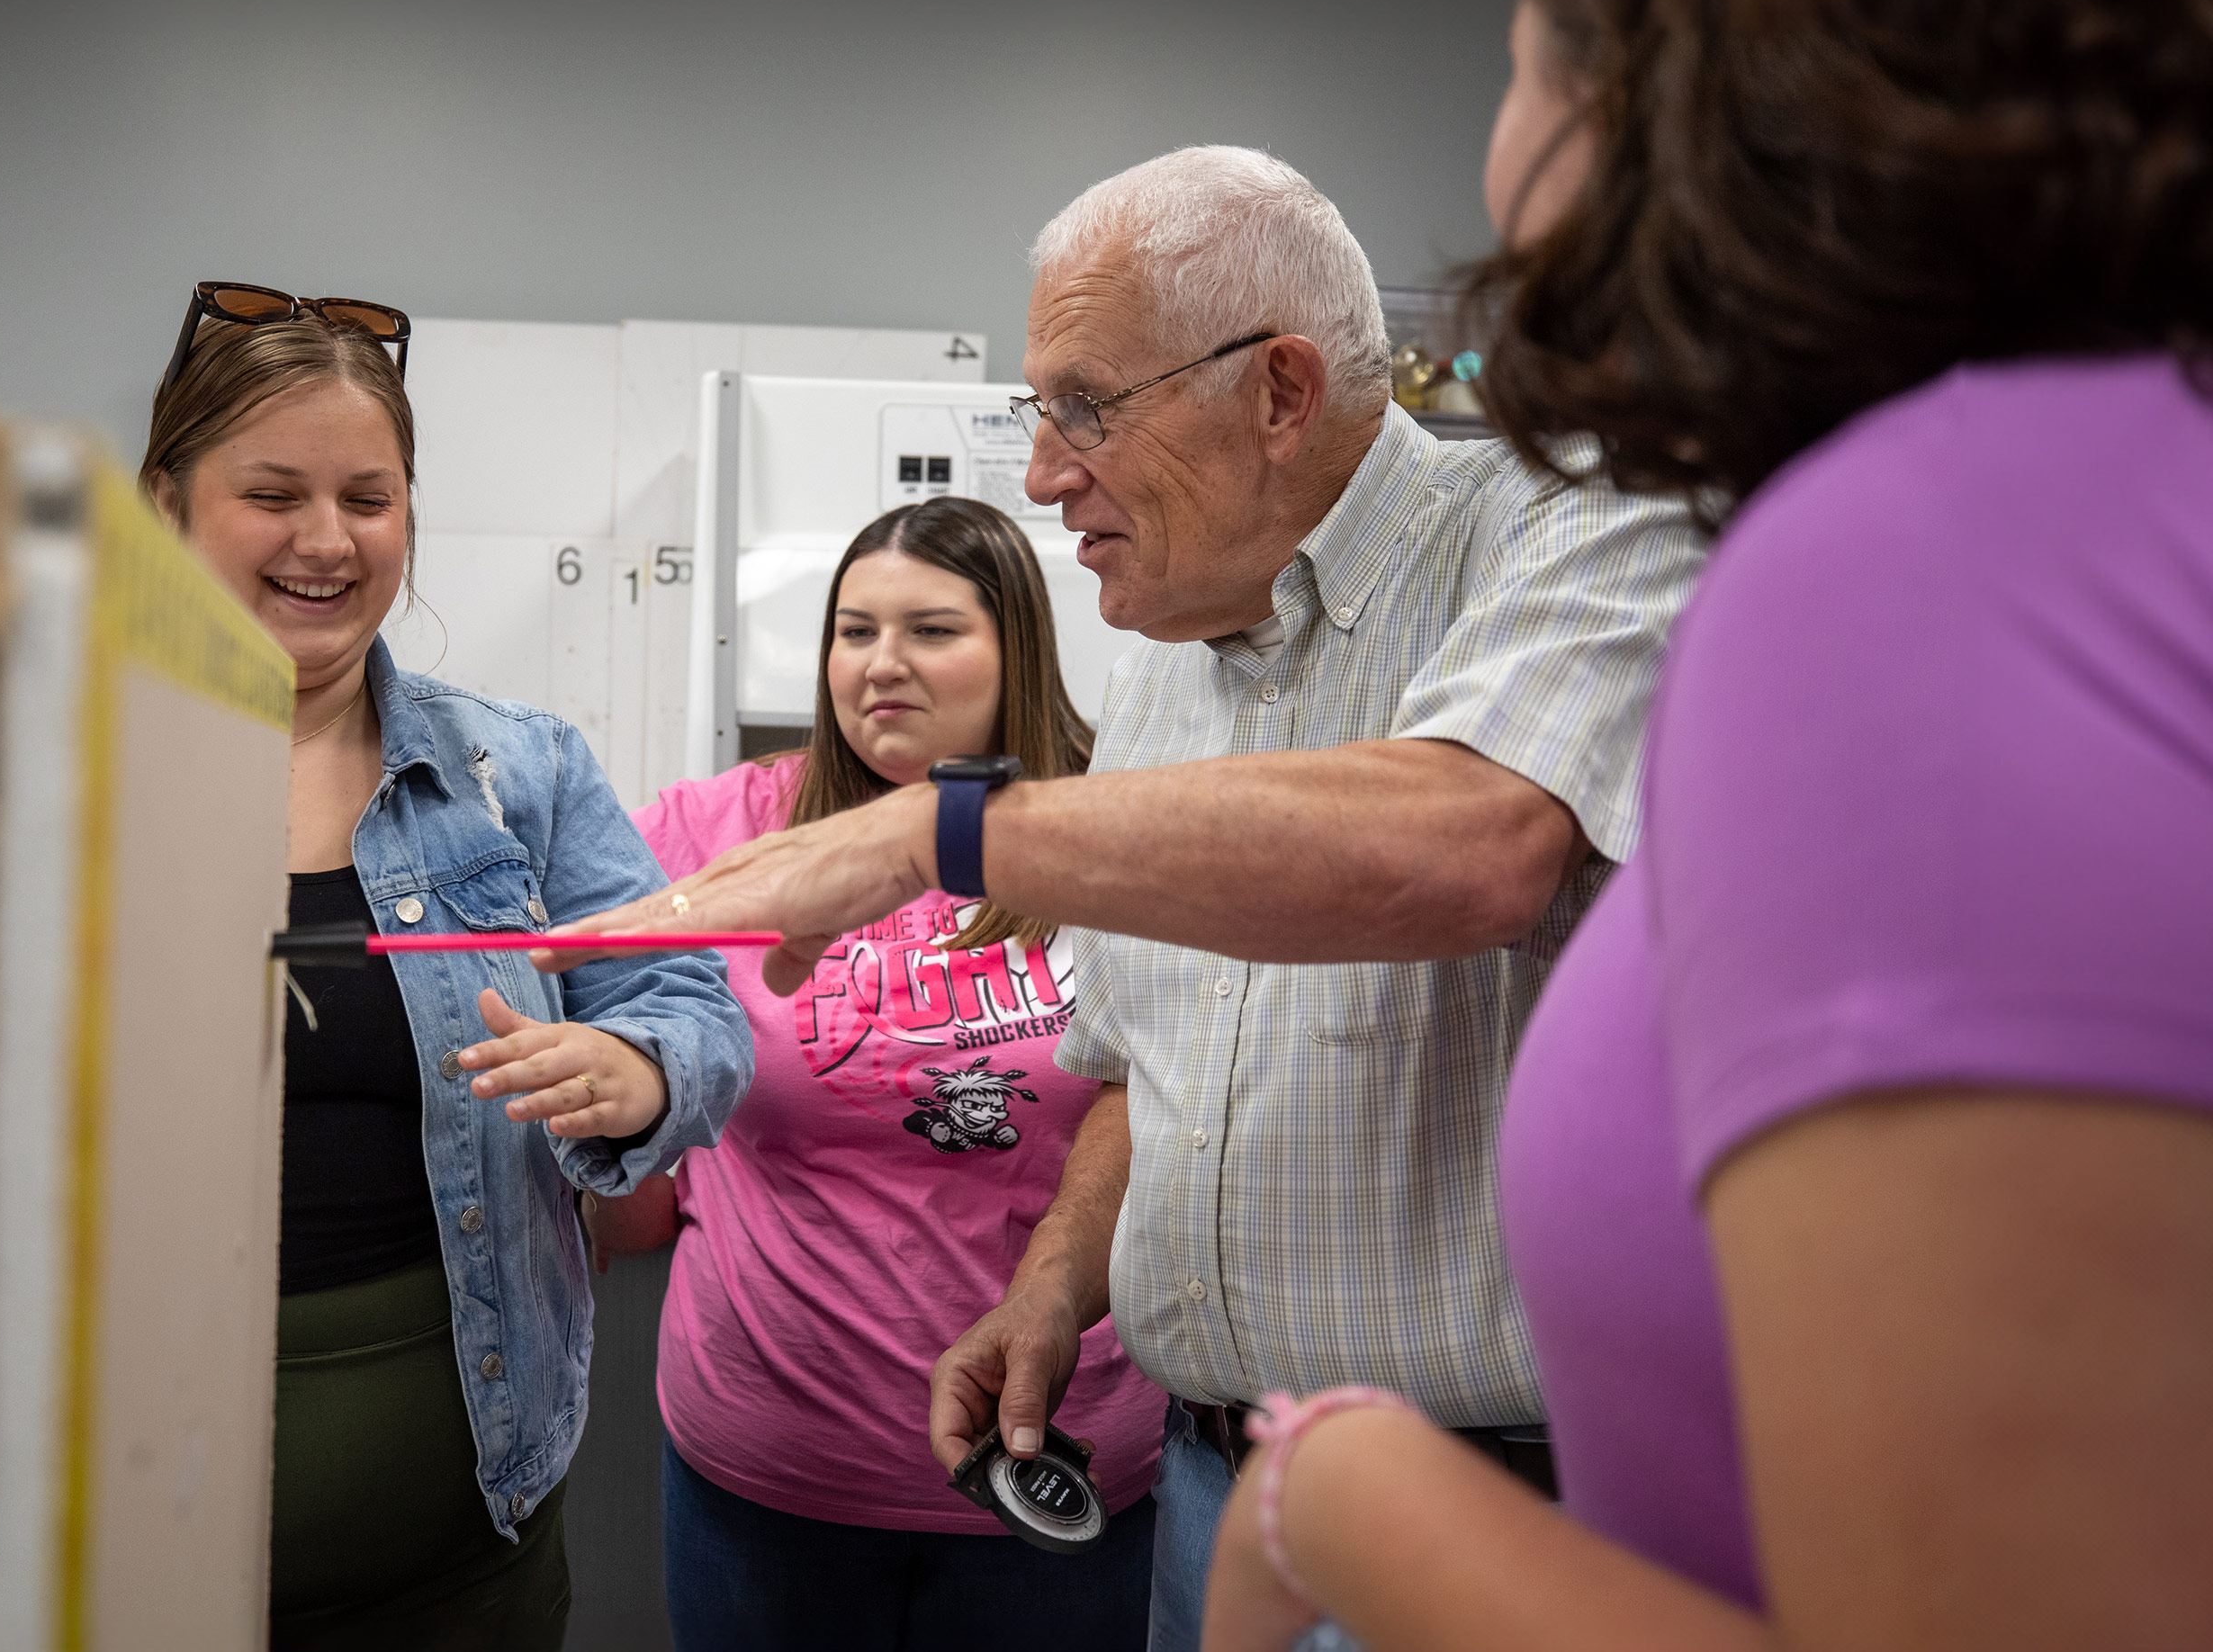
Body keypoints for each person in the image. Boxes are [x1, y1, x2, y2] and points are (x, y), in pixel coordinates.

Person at [1194, 0, 2213, 1652]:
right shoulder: (2111, 499)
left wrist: (1346, 1494)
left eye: (1519, 62)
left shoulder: (1916, 572)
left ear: (1656, 110)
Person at [541, 149, 1705, 1652]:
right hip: (1211, 1488)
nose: (1041, 473)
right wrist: (1054, 1285)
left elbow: (1471, 843)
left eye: (1086, 407)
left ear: (1279, 391)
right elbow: (1151, 1074)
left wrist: (944, 833)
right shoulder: (1169, 667)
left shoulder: (1571, 526)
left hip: (1491, 1509)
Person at [139, 283, 752, 1651]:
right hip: (124, 1552)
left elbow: (689, 1004)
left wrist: (638, 1070)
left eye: (369, 497)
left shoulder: (517, 770)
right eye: (272, 493)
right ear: (168, 502)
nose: (326, 539)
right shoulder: (53, 766)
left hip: (469, 1546)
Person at [584, 496, 1164, 1652]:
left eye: (931, 630)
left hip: (1056, 1459)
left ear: (1016, 646)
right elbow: (598, 1032)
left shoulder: (1111, 824)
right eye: (854, 632)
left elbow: (1173, 1097)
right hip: (768, 1469)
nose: (881, 664)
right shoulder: (718, 830)